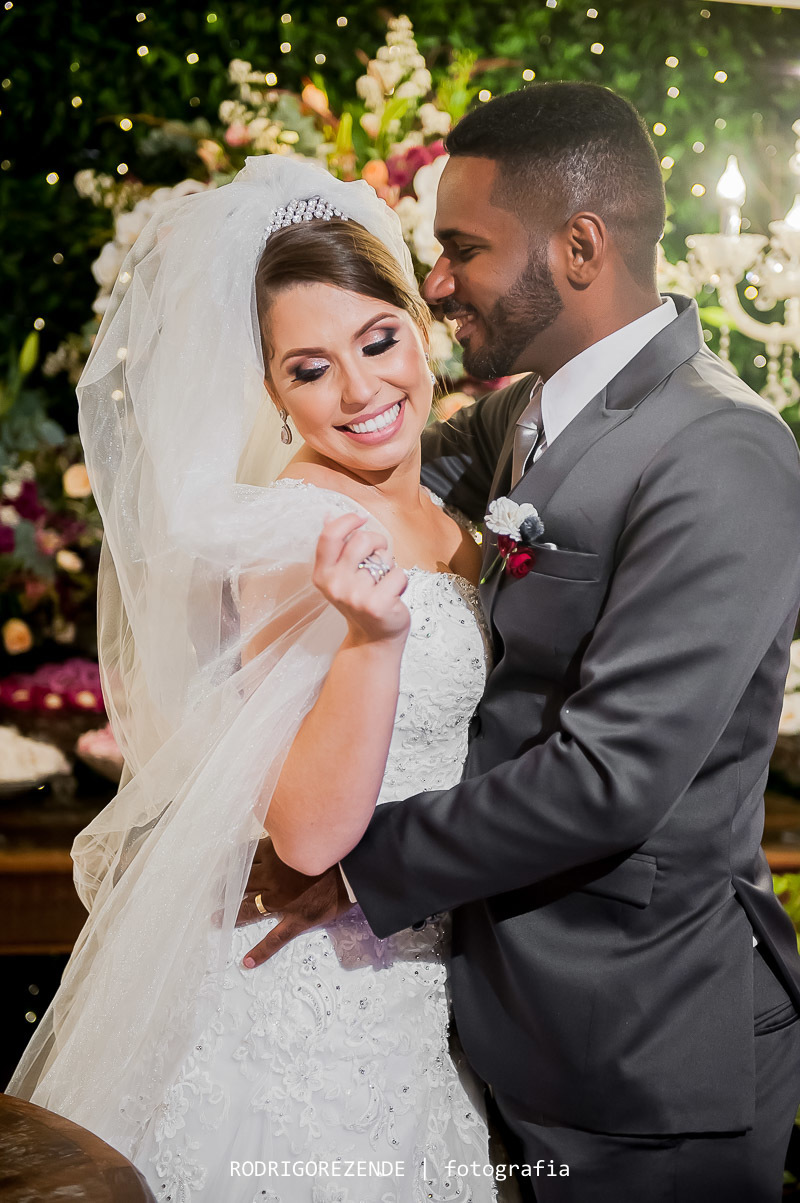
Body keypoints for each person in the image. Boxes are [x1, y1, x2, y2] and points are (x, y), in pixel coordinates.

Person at [240, 84, 800, 1202]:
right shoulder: (540, 406)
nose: (435, 281)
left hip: (640, 1052)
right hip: (501, 1020)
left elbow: (610, 778)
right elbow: (403, 458)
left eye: (460, 250)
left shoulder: (719, 454)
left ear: (579, 248)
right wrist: (282, 508)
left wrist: (355, 866)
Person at [7, 157, 499, 1203]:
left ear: (419, 322)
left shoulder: (453, 512)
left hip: (426, 981)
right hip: (320, 1001)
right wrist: (372, 641)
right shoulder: (295, 531)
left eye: (377, 339)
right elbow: (306, 835)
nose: (363, 391)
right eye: (309, 369)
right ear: (271, 393)